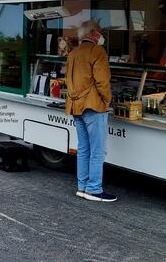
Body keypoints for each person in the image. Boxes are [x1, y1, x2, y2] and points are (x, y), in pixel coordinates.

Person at [65, 20, 116, 202]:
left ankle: (82, 187)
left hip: (75, 106)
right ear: (94, 33)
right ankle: (94, 189)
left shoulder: (73, 53)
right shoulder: (98, 51)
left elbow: (68, 81)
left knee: (84, 149)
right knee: (98, 150)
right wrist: (107, 101)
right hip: (94, 106)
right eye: (100, 32)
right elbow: (103, 82)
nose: (101, 35)